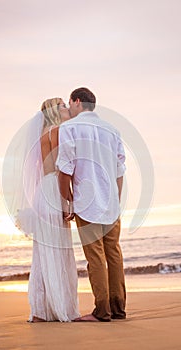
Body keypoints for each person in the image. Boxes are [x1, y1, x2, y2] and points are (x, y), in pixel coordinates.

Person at [56, 87, 126, 322]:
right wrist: (115, 197)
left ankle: (102, 311)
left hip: (87, 203)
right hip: (111, 202)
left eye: (69, 102)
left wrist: (68, 203)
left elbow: (64, 170)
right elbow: (120, 170)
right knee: (114, 254)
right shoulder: (112, 129)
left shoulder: (70, 127)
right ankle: (118, 309)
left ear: (76, 102)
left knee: (95, 257)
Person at [15, 98, 80, 322]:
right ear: (54, 112)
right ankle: (61, 308)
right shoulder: (59, 131)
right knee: (58, 251)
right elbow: (64, 169)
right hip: (54, 190)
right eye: (62, 106)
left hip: (43, 192)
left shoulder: (42, 134)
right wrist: (68, 201)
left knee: (43, 254)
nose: (66, 109)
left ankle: (41, 311)